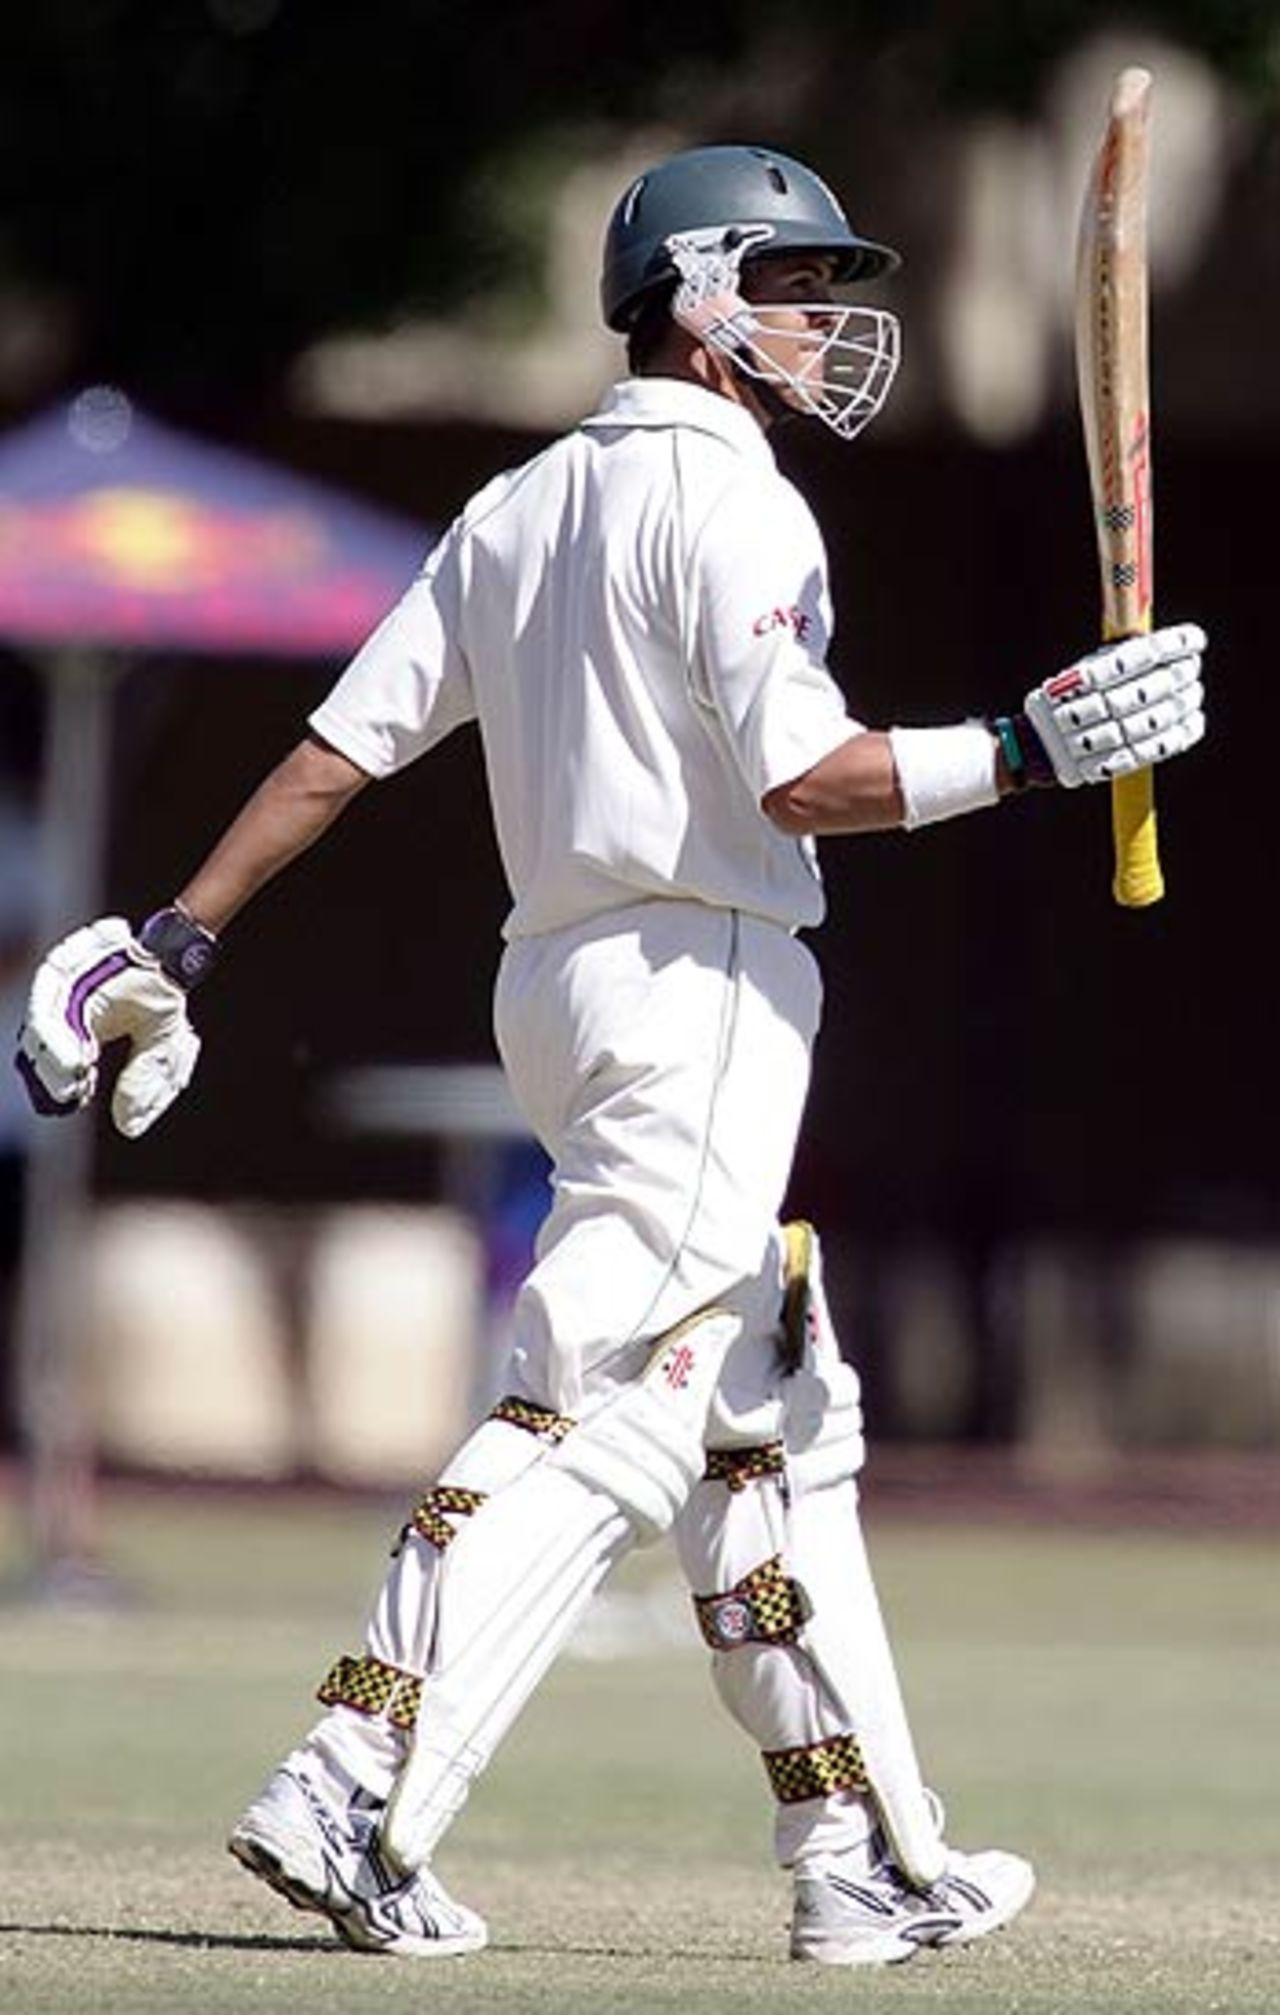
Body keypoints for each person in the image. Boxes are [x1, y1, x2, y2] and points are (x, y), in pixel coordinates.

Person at [14, 143, 1205, 1967]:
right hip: (704, 985)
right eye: (798, 287)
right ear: (704, 295)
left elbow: (339, 751)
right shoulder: (744, 512)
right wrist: (1026, 751)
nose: (828, 325)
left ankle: (863, 1856)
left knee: (771, 1429)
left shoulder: (516, 506)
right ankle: (358, 1774)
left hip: (564, 988)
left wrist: (183, 937)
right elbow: (803, 779)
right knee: (597, 1403)